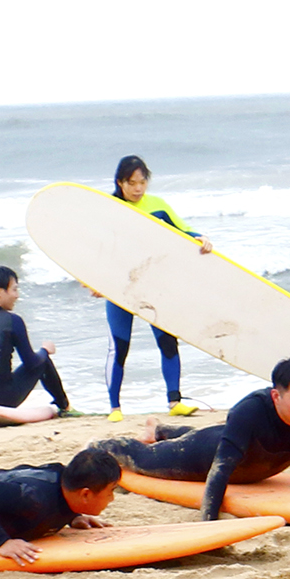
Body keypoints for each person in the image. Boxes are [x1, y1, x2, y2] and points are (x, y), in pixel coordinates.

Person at [100, 358, 290, 521]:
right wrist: (210, 522)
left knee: (216, 435)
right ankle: (101, 445)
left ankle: (160, 430)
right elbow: (220, 471)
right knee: (142, 459)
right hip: (204, 457)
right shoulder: (250, 410)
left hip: (245, 457)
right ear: (276, 396)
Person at [100, 157, 203, 419]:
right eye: (132, 183)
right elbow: (96, 249)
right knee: (120, 347)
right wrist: (94, 279)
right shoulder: (108, 209)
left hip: (155, 286)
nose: (138, 188)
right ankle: (114, 407)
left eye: (142, 182)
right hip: (120, 288)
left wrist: (201, 239)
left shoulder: (158, 206)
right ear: (120, 182)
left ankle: (174, 401)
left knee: (168, 342)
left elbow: (185, 232)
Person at [0, 266, 72, 413]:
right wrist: (45, 350)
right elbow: (32, 363)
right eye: (14, 290)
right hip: (0, 401)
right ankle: (65, 407)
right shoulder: (13, 320)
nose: (17, 296)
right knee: (43, 360)